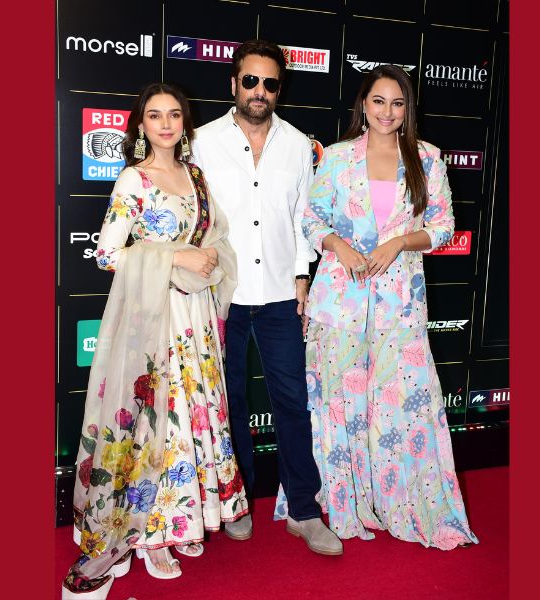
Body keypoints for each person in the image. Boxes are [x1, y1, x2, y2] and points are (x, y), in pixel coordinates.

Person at [277, 65, 478, 549]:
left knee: (402, 403)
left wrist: (401, 242)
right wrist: (338, 247)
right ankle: (341, 500)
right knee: (338, 403)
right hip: (339, 299)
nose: (387, 112)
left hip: (399, 303)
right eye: (378, 101)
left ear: (408, 109)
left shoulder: (427, 158)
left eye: (398, 103)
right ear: (363, 105)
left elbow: (444, 226)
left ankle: (401, 499)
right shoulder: (338, 157)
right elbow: (311, 218)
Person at [62, 82, 248, 600]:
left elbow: (214, 238)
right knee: (155, 420)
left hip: (195, 316)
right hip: (153, 317)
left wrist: (206, 256)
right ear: (140, 125)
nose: (165, 124)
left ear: (185, 123)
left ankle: (180, 517)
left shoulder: (195, 176)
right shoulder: (134, 179)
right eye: (154, 115)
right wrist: (176, 257)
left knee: (191, 414)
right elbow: (107, 255)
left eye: (174, 115)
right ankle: (147, 533)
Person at [191, 39, 343, 556]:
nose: (259, 90)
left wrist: (302, 277)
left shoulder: (299, 145)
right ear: (233, 84)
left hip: (280, 295)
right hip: (221, 295)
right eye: (250, 80)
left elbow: (304, 219)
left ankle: (304, 510)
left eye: (270, 83)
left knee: (293, 404)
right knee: (229, 403)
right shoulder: (201, 142)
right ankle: (237, 505)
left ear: (279, 89)